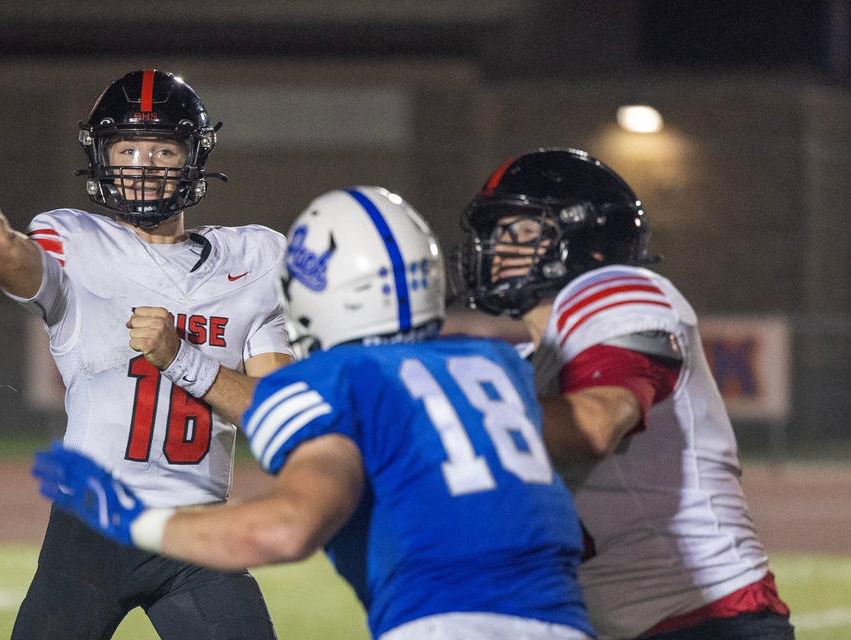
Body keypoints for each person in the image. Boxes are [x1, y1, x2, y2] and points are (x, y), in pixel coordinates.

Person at [33, 186, 596, 640]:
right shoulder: (492, 365)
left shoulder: (344, 382)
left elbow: (287, 528)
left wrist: (134, 520)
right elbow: (589, 440)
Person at [0, 65, 293, 639]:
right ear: (103, 156)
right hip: (92, 530)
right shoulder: (76, 244)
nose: (143, 167)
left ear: (193, 157)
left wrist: (183, 358)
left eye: (161, 150)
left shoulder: (253, 258)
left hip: (196, 532)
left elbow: (277, 415)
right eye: (127, 149)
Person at [449, 147, 794, 639]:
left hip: (711, 622)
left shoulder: (619, 290)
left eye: (520, 231)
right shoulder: (528, 369)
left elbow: (594, 424)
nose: (495, 248)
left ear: (584, 237)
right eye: (496, 233)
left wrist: (446, 409)